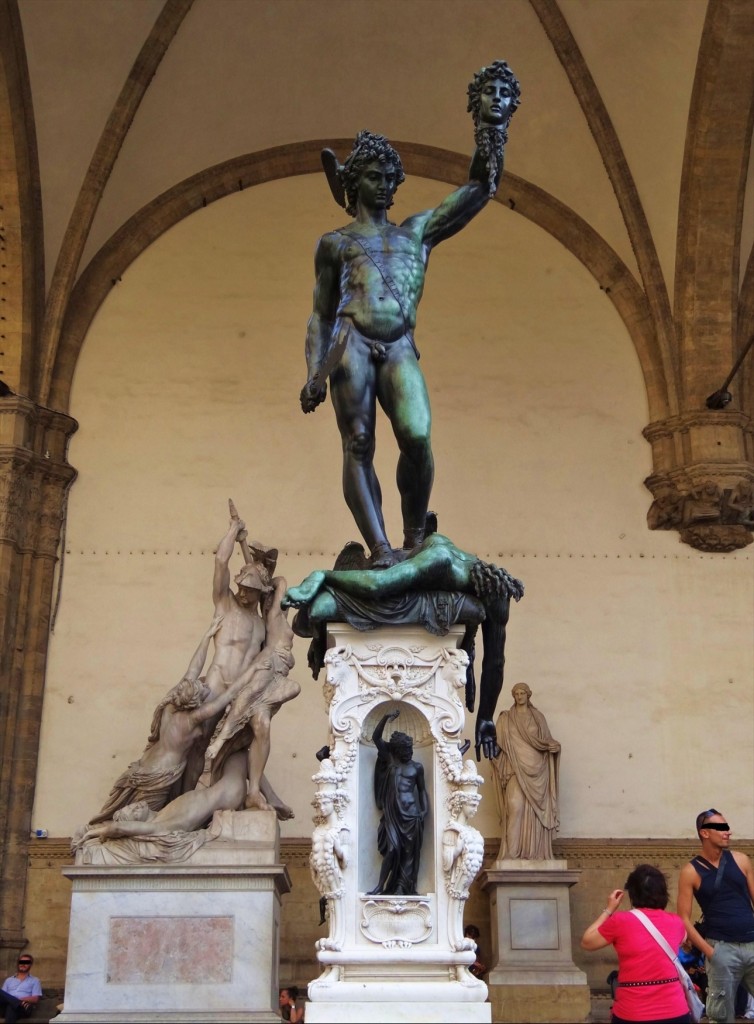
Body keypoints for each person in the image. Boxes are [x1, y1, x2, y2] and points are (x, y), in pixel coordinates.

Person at [299, 62, 520, 569]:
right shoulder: (335, 244)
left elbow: (479, 190)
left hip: (399, 345)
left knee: (417, 437)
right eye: (373, 177)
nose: (384, 185)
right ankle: (379, 547)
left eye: (388, 178)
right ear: (353, 184)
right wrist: (313, 372)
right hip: (351, 341)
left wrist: (492, 128)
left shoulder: (416, 233)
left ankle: (415, 535)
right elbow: (319, 314)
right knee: (358, 442)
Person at [283, 526, 523, 759]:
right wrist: (322, 576)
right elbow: (378, 584)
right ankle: (325, 579)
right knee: (320, 609)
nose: (487, 613)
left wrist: (486, 718)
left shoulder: (498, 595)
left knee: (476, 612)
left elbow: (495, 661)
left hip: (416, 583)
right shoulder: (442, 561)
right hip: (398, 575)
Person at [206, 575, 301, 812]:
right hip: (269, 664)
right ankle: (220, 741)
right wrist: (269, 584)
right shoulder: (274, 617)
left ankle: (254, 792)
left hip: (278, 676)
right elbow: (280, 581)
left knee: (262, 727)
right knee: (246, 696)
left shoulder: (269, 620)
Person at [581, 864, 690, 1024]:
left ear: (632, 894)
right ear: (663, 894)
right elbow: (682, 939)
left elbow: (587, 941)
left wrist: (609, 909)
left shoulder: (620, 921)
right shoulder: (676, 922)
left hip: (632, 1013)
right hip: (676, 1012)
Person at [677, 808, 754, 1023]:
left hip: (752, 943)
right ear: (705, 833)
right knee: (720, 1016)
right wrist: (710, 952)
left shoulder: (741, 860)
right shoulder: (690, 871)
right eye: (721, 827)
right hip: (721, 948)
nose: (727, 832)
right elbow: (683, 917)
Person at [492, 683, 560, 859]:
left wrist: (554, 747)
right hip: (515, 767)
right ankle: (511, 854)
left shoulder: (538, 717)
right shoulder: (505, 719)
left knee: (536, 812)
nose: (519, 696)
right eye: (516, 693)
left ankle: (537, 853)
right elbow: (496, 746)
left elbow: (546, 740)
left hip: (538, 770)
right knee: (515, 806)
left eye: (522, 693)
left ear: (528, 695)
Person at [368, 710, 429, 896]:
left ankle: (403, 887)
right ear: (398, 750)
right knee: (392, 849)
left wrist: (424, 811)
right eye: (407, 750)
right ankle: (380, 886)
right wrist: (385, 717)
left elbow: (422, 791)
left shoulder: (417, 767)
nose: (410, 753)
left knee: (409, 855)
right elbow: (376, 737)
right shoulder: (390, 759)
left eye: (411, 750)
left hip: (412, 815)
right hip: (393, 814)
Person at [1, 954, 42, 1022]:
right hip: (6, 1008)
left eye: (26, 963)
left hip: (23, 1009)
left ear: (30, 965)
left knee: (11, 1006)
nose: (23, 964)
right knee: (11, 1006)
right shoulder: (8, 980)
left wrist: (18, 1000)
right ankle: (16, 1003)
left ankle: (16, 1003)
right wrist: (16, 1002)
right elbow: (3, 997)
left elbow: (35, 999)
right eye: (21, 962)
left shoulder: (35, 980)